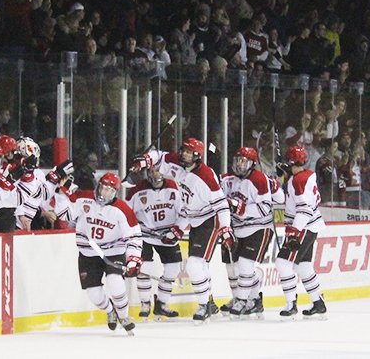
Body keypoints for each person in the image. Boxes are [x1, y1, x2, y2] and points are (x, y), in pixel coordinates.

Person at [132, 137, 233, 321]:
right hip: (193, 220)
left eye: (188, 151)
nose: (184, 154)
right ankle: (208, 302)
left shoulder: (206, 176)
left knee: (194, 264)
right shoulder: (178, 165)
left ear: (197, 155)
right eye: (183, 150)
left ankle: (204, 305)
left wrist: (225, 228)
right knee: (200, 265)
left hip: (209, 222)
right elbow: (160, 157)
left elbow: (222, 205)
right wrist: (144, 160)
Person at [63, 173, 140, 334]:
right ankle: (110, 311)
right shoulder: (84, 198)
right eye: (103, 188)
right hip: (88, 252)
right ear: (98, 186)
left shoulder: (123, 210)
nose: (105, 194)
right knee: (94, 294)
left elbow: (134, 236)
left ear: (116, 193)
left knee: (115, 282)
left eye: (110, 191)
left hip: (114, 251)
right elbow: (66, 212)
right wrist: (61, 188)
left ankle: (124, 316)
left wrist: (133, 259)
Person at [219, 146, 281, 318]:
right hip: (236, 228)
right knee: (232, 268)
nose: (239, 164)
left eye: (243, 161)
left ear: (252, 164)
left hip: (258, 228)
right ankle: (251, 300)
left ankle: (242, 300)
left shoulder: (259, 179)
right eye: (237, 160)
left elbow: (265, 208)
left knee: (245, 265)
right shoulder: (227, 179)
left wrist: (240, 207)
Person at [125, 155, 185, 320]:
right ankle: (145, 304)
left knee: (172, 269)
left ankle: (162, 304)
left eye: (158, 170)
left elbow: (184, 212)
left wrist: (177, 230)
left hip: (168, 234)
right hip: (145, 235)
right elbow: (125, 214)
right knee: (145, 269)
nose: (155, 173)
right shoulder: (137, 191)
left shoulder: (174, 188)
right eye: (152, 170)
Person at [277, 145, 328, 319]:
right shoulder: (303, 176)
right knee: (302, 265)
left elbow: (304, 209)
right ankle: (318, 302)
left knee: (283, 263)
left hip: (304, 227)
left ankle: (291, 304)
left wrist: (294, 231)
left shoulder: (298, 180)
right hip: (311, 226)